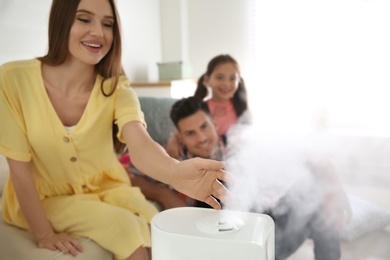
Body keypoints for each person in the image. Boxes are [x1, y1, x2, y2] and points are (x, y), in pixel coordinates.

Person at [0, 1, 232, 260]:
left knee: (159, 225)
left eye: (107, 24)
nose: (98, 32)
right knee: (125, 229)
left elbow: (139, 142)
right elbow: (19, 171)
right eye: (85, 19)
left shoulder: (117, 88)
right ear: (61, 21)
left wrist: (174, 171)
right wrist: (44, 234)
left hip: (110, 187)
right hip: (46, 197)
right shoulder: (12, 80)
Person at [119, 96, 226, 210]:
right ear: (180, 136)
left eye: (204, 127)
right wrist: (163, 194)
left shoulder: (237, 148)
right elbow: (124, 172)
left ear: (214, 124)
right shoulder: (171, 155)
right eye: (190, 133)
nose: (201, 138)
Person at [166, 54, 251, 159]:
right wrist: (173, 140)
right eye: (219, 77)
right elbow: (183, 128)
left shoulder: (242, 110)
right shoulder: (201, 109)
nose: (226, 83)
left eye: (232, 78)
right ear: (207, 80)